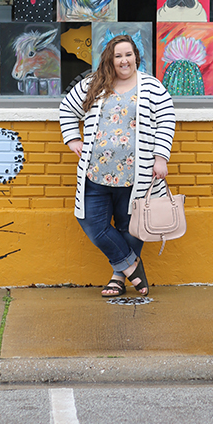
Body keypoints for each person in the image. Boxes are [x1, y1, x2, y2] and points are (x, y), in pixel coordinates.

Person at [59, 35, 176, 298]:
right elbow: (67, 108)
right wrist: (73, 139)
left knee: (130, 227)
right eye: (118, 56)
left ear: (136, 56)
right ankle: (132, 266)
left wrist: (161, 157)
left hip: (137, 174)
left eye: (128, 55)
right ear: (110, 60)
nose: (124, 60)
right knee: (91, 222)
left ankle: (117, 277)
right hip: (95, 173)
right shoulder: (94, 84)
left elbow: (167, 120)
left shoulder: (152, 87)